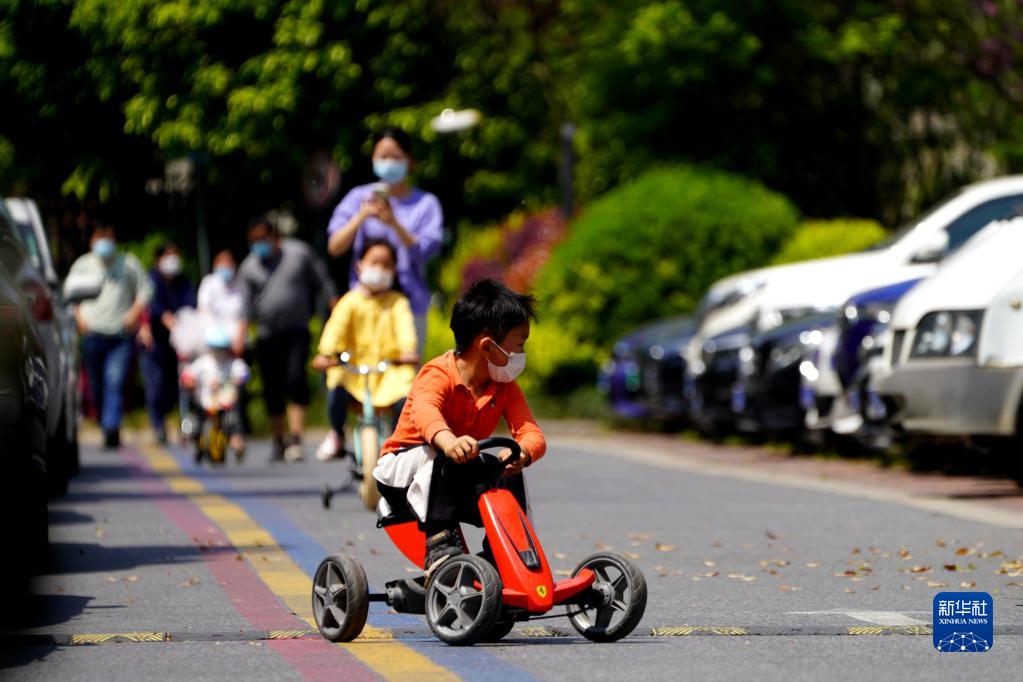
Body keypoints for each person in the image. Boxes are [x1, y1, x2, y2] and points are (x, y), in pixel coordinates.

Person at [373, 279, 545, 575]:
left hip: (456, 473)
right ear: (488, 346)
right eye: (520, 344)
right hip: (402, 470)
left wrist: (523, 453)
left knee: (507, 472)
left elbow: (531, 432)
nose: (521, 354)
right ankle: (439, 544)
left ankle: (506, 550)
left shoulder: (503, 386)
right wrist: (447, 439)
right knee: (438, 455)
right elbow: (425, 412)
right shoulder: (438, 374)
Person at [326, 128, 443, 353]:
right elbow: (334, 246)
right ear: (373, 160)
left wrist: (393, 222)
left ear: (410, 161)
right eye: (383, 156)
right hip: (364, 305)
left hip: (409, 307)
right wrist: (360, 216)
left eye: (396, 157)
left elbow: (427, 252)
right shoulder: (358, 198)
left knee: (406, 377)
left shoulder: (426, 204)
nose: (389, 162)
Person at [237, 216, 338, 463]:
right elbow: (244, 307)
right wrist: (240, 336)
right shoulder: (249, 267)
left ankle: (295, 437)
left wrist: (337, 308)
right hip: (266, 334)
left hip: (297, 330)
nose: (259, 244)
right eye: (254, 241)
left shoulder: (299, 254)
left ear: (276, 238)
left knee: (295, 381)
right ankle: (278, 439)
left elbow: (322, 282)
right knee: (272, 389)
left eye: (263, 239)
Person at [311, 239, 418, 461]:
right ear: (360, 266)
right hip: (354, 373)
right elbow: (335, 330)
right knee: (336, 387)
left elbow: (405, 330)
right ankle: (337, 434)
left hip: (388, 372)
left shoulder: (398, 303)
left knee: (406, 396)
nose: (379, 269)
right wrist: (326, 354)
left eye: (386, 264)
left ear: (394, 270)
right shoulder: (350, 301)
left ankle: (401, 443)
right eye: (374, 262)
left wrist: (408, 351)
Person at [65, 224, 153, 449]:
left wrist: (135, 313)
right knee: (96, 385)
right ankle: (104, 420)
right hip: (92, 334)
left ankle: (111, 426)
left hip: (120, 336)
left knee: (114, 381)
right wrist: (78, 317)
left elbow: (146, 289)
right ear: (92, 242)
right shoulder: (83, 265)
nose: (104, 244)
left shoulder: (128, 263)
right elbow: (69, 293)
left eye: (108, 239)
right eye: (100, 239)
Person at [138, 241, 196, 444]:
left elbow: (190, 306)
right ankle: (158, 425)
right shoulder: (150, 280)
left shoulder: (184, 281)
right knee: (155, 384)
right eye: (168, 255)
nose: (173, 260)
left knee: (177, 386)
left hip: (179, 342)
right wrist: (166, 320)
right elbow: (152, 307)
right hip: (154, 342)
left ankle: (183, 422)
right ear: (158, 260)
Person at [180, 327, 250, 462]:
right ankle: (195, 440)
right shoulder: (203, 363)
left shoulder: (232, 363)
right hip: (205, 403)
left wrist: (237, 380)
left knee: (234, 419)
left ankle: (236, 440)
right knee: (196, 422)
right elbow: (187, 374)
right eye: (215, 348)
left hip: (225, 404)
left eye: (222, 348)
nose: (219, 352)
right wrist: (190, 381)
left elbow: (244, 372)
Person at [197, 249, 245, 338]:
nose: (225, 268)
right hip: (212, 334)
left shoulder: (240, 284)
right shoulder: (209, 282)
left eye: (228, 265)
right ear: (215, 266)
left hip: (236, 336)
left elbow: (243, 313)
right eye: (222, 265)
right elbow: (203, 309)